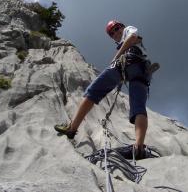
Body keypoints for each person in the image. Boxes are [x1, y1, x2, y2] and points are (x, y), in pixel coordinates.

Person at [54, 20, 154, 159]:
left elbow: (132, 38)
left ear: (122, 26)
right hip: (141, 70)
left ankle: (72, 128)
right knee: (138, 106)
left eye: (116, 28)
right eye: (111, 33)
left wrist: (116, 57)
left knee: (93, 91)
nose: (115, 32)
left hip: (126, 63)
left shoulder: (128, 30)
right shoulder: (125, 42)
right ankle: (139, 148)